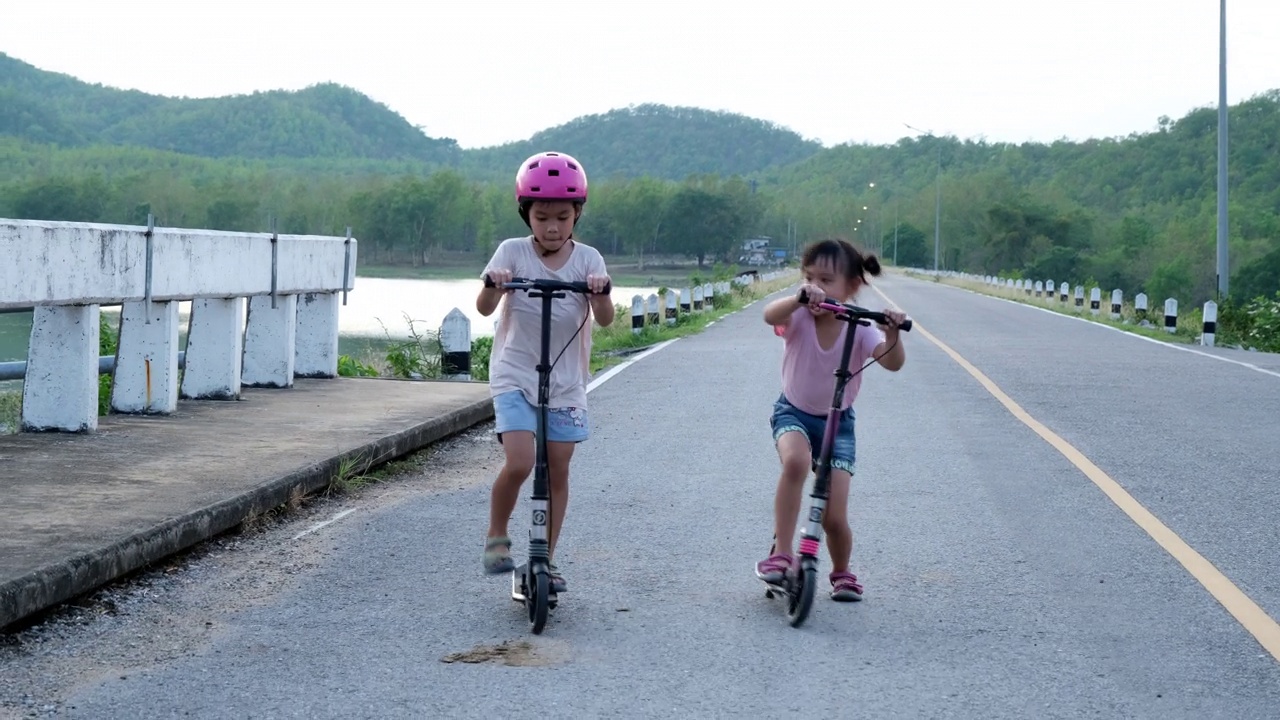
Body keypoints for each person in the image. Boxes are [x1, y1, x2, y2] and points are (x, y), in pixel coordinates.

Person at [476, 151, 614, 594]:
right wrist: (493, 283)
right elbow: (483, 309)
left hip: (566, 383)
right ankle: (497, 535)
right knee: (519, 460)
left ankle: (544, 558)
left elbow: (607, 319)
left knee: (558, 468)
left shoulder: (588, 259)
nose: (552, 227)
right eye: (541, 217)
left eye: (562, 216)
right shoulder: (511, 252)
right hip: (515, 374)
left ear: (577, 214)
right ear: (525, 215)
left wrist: (599, 292)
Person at [756, 238, 907, 601]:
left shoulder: (860, 326)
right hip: (793, 410)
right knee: (796, 462)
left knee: (834, 517)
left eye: (826, 280)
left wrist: (891, 333)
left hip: (839, 424)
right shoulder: (799, 316)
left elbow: (892, 362)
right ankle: (782, 552)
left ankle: (842, 572)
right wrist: (797, 298)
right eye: (809, 278)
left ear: (852, 286)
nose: (816, 287)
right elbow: (769, 316)